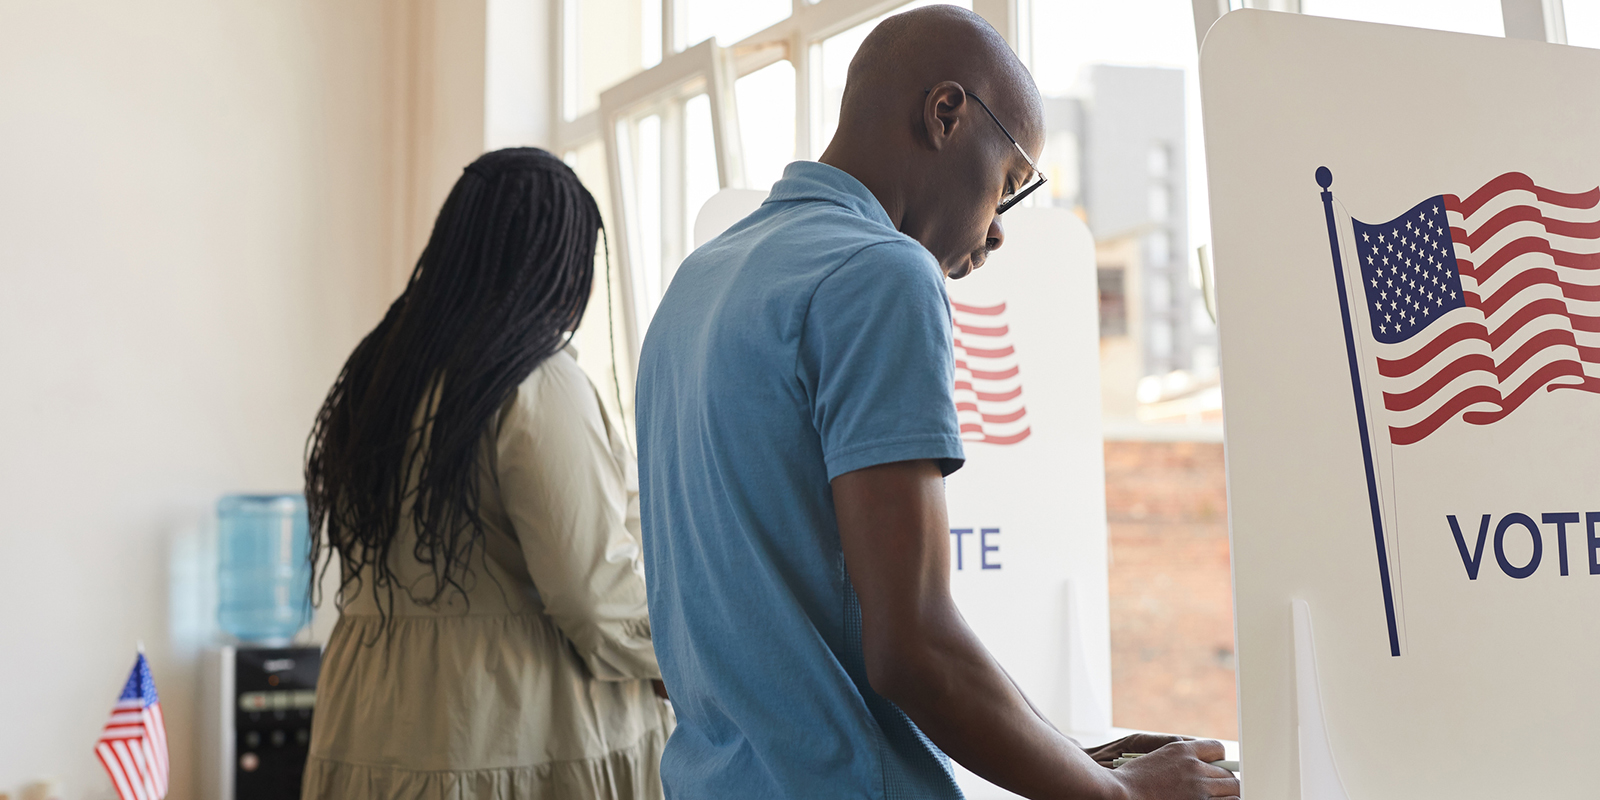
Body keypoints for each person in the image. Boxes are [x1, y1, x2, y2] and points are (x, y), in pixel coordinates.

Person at [636, 7, 1239, 800]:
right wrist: (1119, 796)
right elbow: (912, 645)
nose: (995, 236)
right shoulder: (880, 273)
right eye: (1008, 186)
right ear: (946, 113)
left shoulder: (698, 283)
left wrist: (1067, 756)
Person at [301, 148, 672, 800]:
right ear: (553, 266)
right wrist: (684, 663)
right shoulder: (534, 382)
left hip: (372, 724)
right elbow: (593, 596)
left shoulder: (378, 375)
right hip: (515, 731)